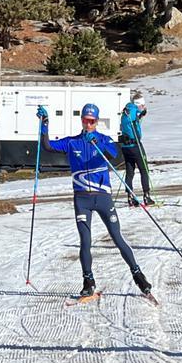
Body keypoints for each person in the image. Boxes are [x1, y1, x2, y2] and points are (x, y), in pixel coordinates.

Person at [38, 102, 153, 301]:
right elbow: (47, 146)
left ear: (96, 122)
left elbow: (115, 155)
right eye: (85, 120)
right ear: (81, 120)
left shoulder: (102, 139)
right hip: (82, 199)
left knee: (117, 238)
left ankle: (138, 276)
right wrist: (45, 124)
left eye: (92, 121)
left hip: (103, 198)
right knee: (85, 241)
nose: (88, 124)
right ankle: (88, 282)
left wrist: (98, 145)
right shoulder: (72, 142)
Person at [119, 95, 154, 207]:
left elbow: (131, 122)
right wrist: (140, 114)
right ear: (138, 104)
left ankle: (130, 196)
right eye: (142, 106)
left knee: (130, 171)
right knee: (144, 169)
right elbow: (134, 119)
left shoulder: (127, 110)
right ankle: (146, 196)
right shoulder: (134, 111)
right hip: (135, 145)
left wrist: (140, 116)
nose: (144, 107)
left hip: (125, 146)